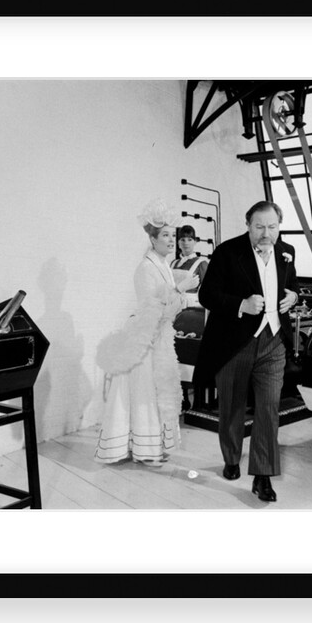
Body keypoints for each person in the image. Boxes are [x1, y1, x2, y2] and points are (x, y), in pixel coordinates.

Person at [194, 201, 299, 502]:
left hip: (274, 341)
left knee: (268, 408)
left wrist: (293, 294)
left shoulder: (287, 252)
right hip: (234, 342)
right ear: (248, 224)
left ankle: (263, 476)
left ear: (279, 226)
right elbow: (207, 295)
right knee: (232, 406)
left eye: (272, 227)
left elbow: (290, 286)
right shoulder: (228, 252)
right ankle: (231, 457)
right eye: (259, 227)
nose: (266, 233)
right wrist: (241, 304)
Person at [93, 199, 199, 466]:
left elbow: (169, 306)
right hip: (147, 338)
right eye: (165, 235)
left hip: (160, 337)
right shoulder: (146, 267)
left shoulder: (162, 264)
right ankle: (145, 448)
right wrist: (181, 289)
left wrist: (179, 292)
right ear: (152, 239)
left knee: (159, 392)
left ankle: (153, 446)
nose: (172, 240)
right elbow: (154, 309)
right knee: (146, 394)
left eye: (172, 235)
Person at [170, 225, 208, 298]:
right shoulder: (173, 263)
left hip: (191, 307)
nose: (186, 243)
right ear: (178, 243)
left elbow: (208, 292)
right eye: (183, 240)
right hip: (172, 305)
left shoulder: (201, 263)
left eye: (189, 239)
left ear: (195, 242)